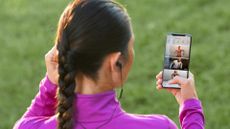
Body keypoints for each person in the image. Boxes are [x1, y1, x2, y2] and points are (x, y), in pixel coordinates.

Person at [13, 0, 205, 129]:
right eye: (131, 46)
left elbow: (25, 123)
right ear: (115, 63)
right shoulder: (158, 126)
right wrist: (190, 105)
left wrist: (50, 85)